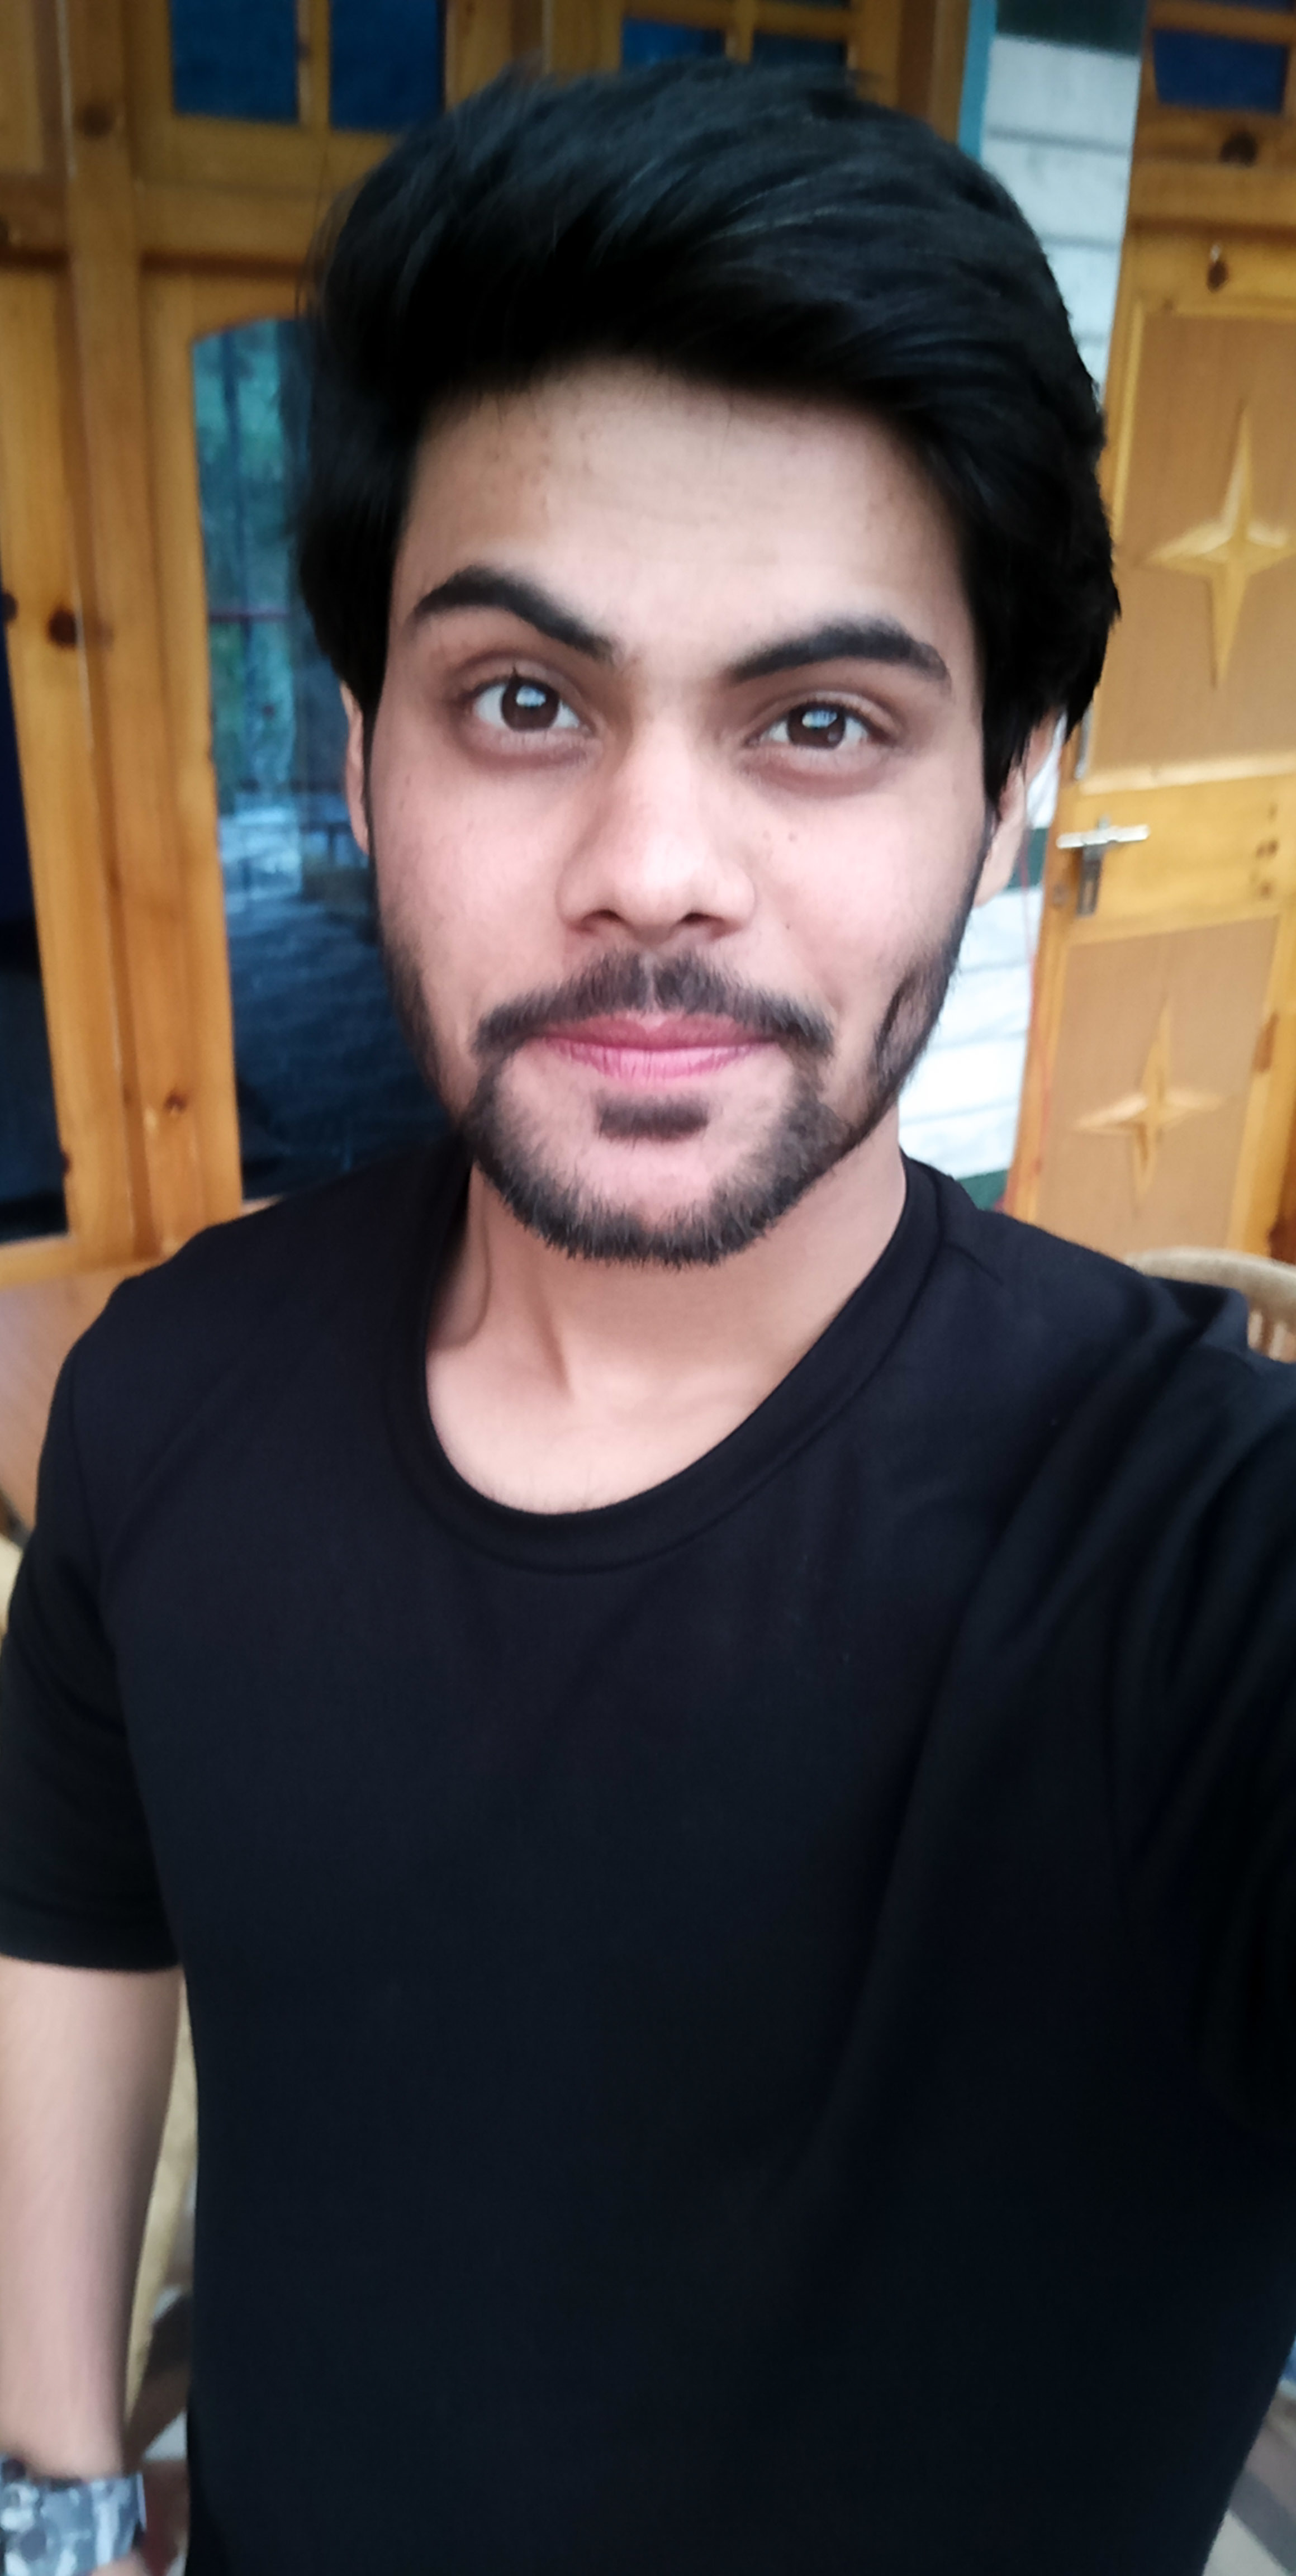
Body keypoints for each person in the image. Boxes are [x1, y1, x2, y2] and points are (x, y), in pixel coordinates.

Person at [0, 58, 1293, 2576]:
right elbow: (72, 1931)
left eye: (819, 723)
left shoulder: (1197, 1555)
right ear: (359, 759)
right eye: (523, 701)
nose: (653, 869)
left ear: (1014, 787)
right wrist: (55, 2497)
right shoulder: (165, 1393)